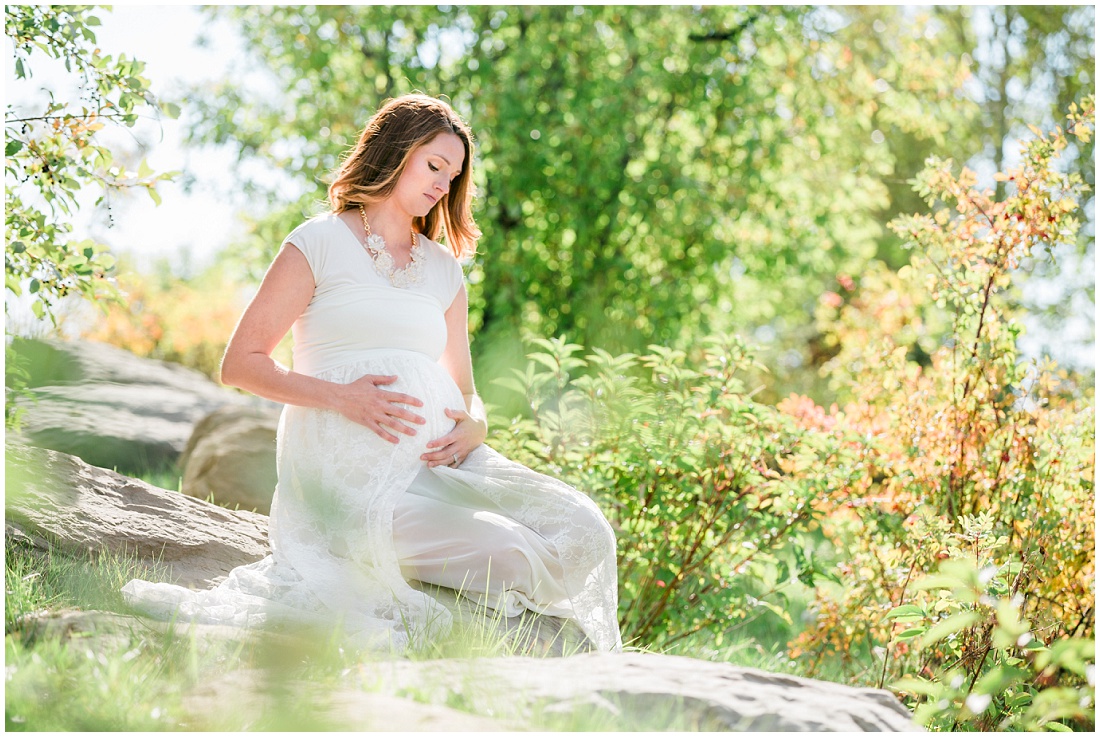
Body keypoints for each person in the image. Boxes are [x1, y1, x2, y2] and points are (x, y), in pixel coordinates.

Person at [122, 94, 623, 653]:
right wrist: (342, 398)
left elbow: (466, 391)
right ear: (395, 151)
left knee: (586, 532)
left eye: (453, 176)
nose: (443, 184)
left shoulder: (443, 269)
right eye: (434, 165)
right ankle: (376, 560)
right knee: (508, 552)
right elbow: (240, 364)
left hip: (440, 465)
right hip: (348, 471)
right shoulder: (318, 241)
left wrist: (476, 425)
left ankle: (447, 577)